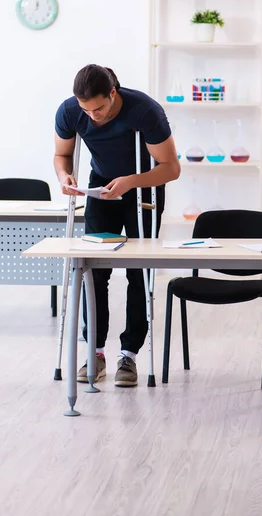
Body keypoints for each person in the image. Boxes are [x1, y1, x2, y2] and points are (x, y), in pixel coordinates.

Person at [54, 64, 180, 387]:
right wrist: (64, 176)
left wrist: (130, 183)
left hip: (144, 189)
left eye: (98, 108)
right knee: (93, 270)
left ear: (113, 94)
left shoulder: (145, 111)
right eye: (86, 110)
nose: (92, 116)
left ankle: (130, 355)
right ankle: (95, 353)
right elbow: (62, 154)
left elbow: (171, 168)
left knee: (140, 271)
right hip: (101, 188)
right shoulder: (70, 112)